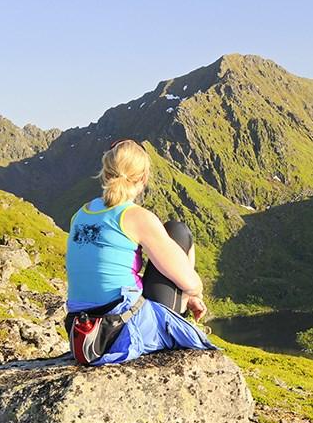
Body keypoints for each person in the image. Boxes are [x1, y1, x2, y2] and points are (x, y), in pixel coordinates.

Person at [64, 138, 214, 364]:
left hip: (83, 333)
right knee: (178, 231)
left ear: (105, 172)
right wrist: (193, 293)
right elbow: (192, 282)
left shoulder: (80, 214)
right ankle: (175, 322)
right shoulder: (136, 217)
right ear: (143, 178)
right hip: (118, 332)